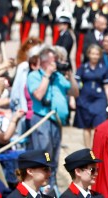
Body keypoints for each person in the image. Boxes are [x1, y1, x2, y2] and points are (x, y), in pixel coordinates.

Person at [27, 46, 79, 190]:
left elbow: (74, 92)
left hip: (56, 122)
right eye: (52, 61)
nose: (56, 63)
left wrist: (70, 75)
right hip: (42, 119)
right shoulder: (35, 76)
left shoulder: (58, 77)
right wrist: (47, 74)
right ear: (44, 62)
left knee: (54, 156)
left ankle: (52, 185)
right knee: (44, 154)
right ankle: (40, 186)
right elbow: (38, 95)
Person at [75, 44, 108, 149]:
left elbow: (107, 85)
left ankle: (97, 148)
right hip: (84, 100)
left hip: (99, 99)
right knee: (86, 127)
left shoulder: (104, 68)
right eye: (93, 54)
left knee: (99, 126)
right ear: (88, 54)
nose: (95, 56)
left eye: (97, 54)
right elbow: (76, 84)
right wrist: (72, 99)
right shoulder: (82, 68)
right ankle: (88, 151)